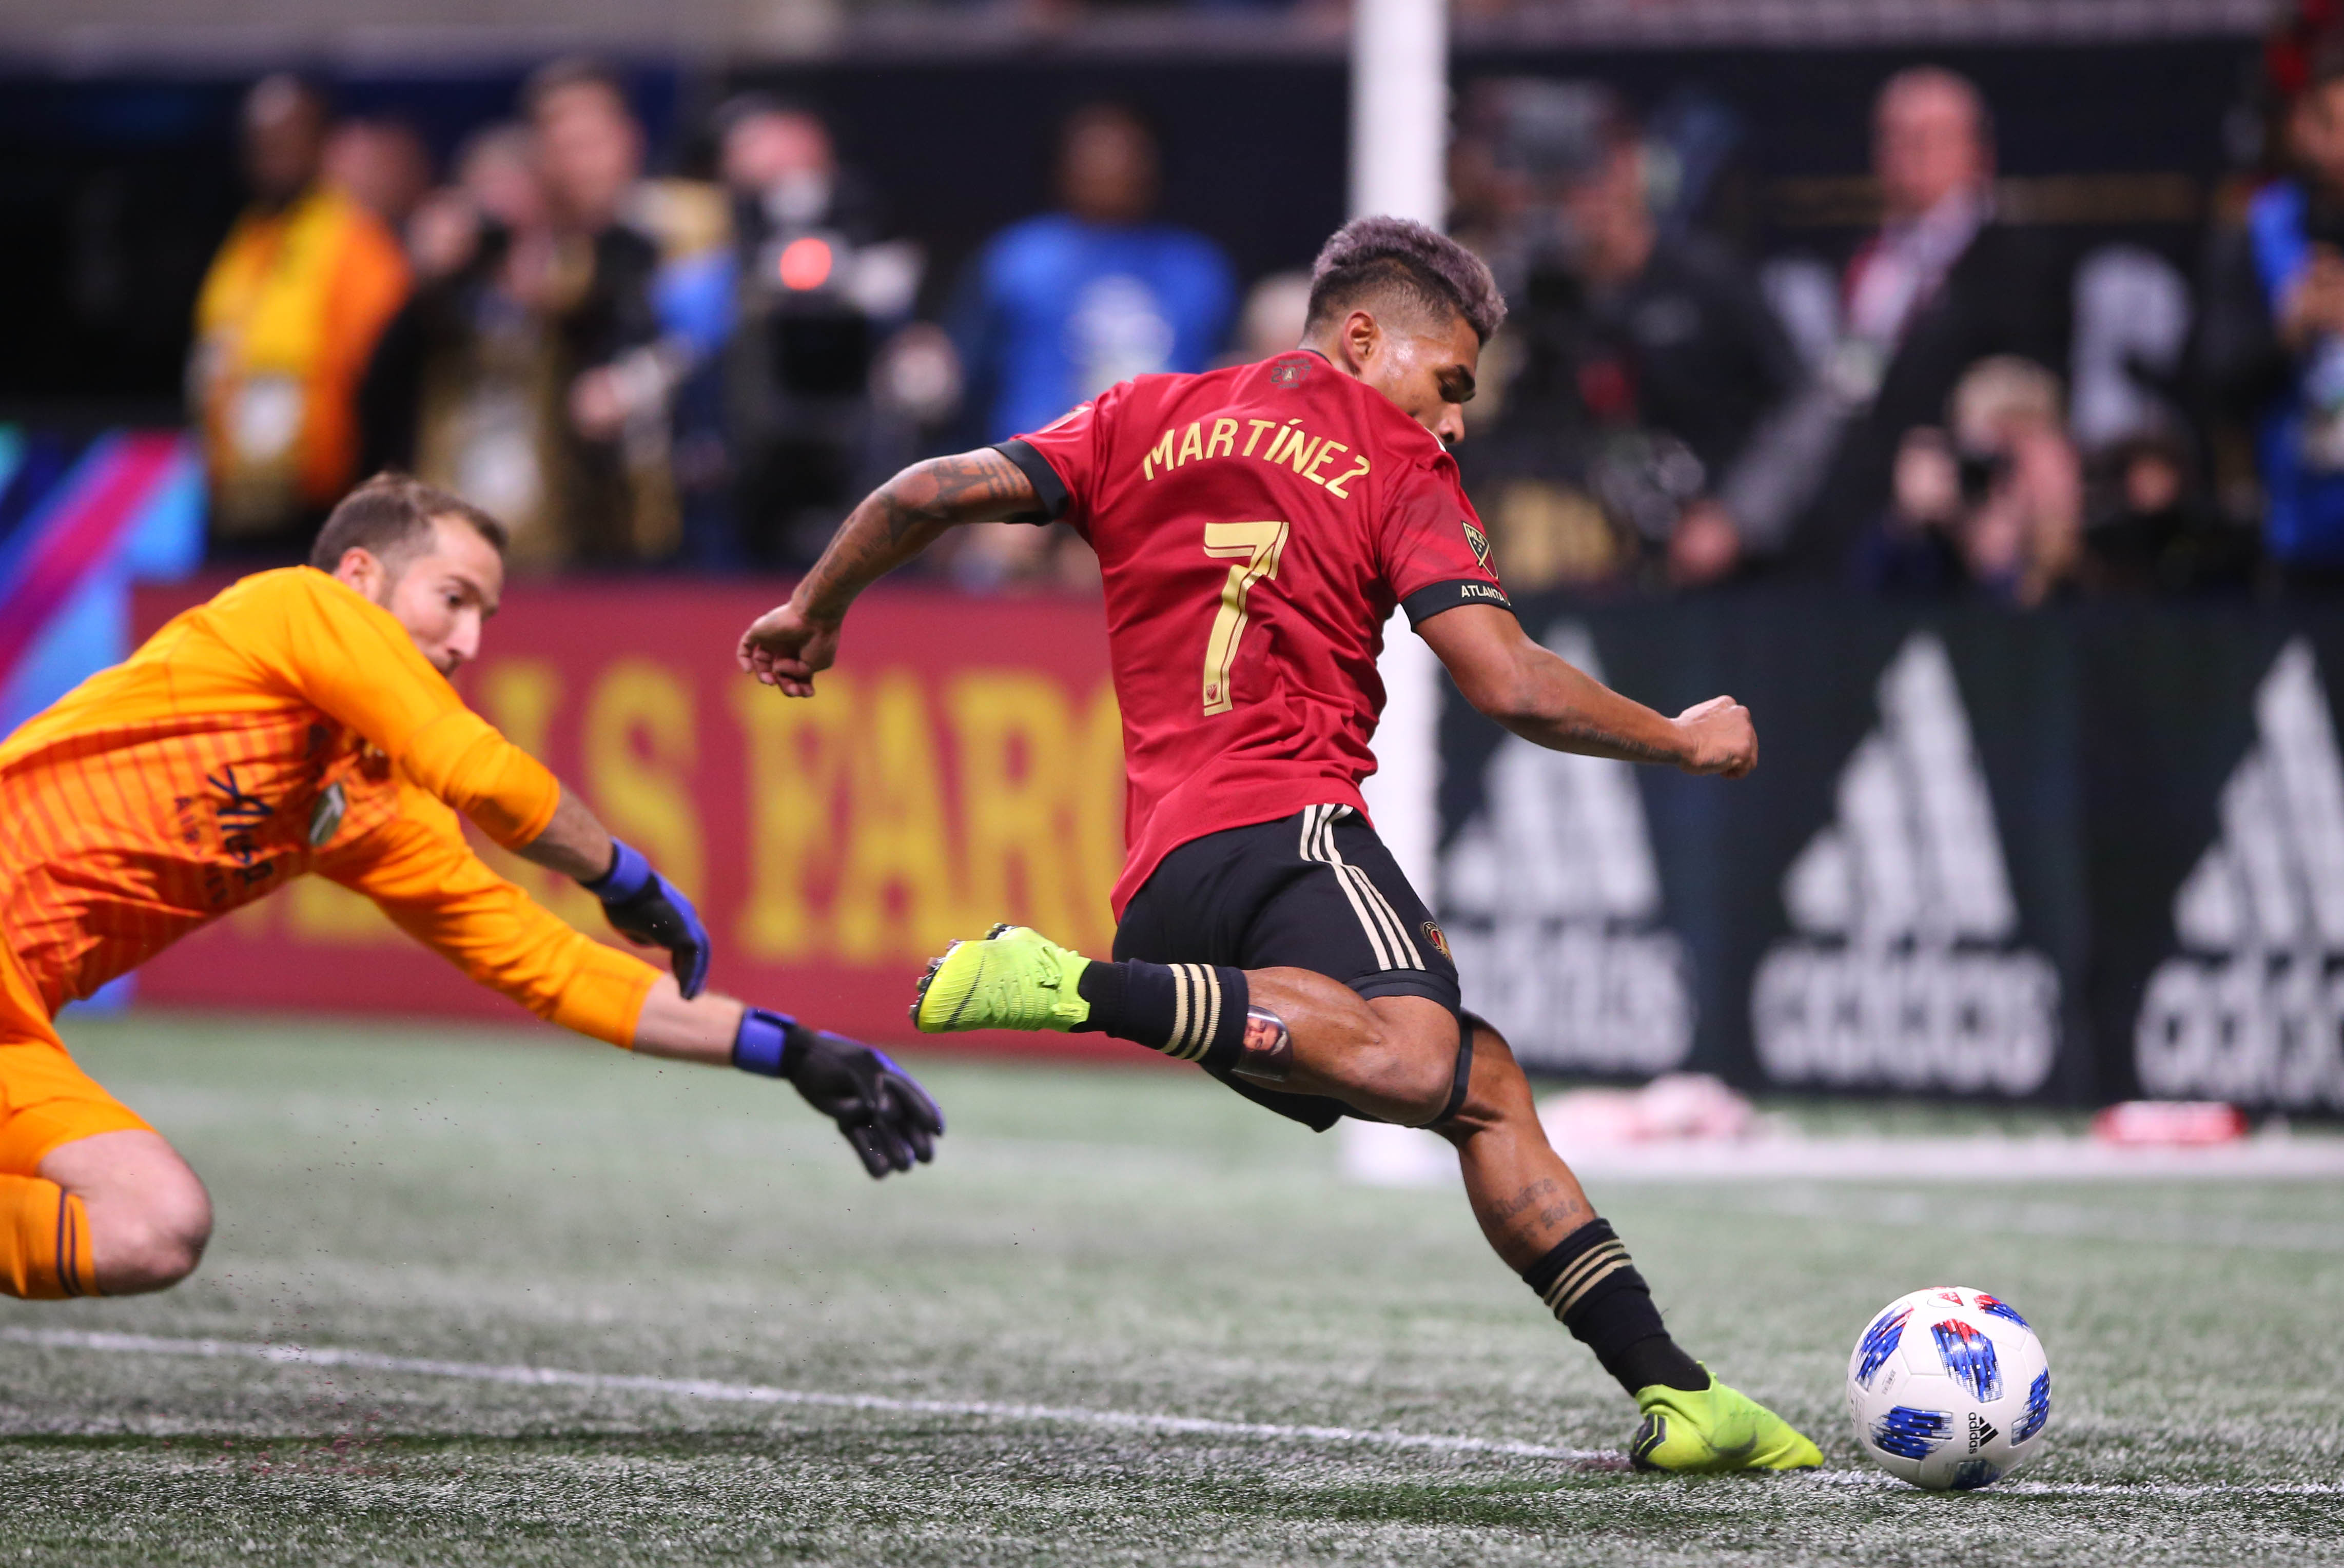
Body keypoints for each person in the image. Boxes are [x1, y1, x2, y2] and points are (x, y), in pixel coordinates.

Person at [738, 217, 1818, 1474]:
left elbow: (921, 490)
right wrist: (1681, 739)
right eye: (1449, 381)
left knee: (1481, 1085)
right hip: (1289, 823)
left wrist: (812, 610)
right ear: (1362, 338)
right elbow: (1511, 683)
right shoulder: (1394, 459)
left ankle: (1678, 1394)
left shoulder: (1137, 415)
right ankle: (1069, 985)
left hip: (1167, 883)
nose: (1455, 420)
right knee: (1422, 1063)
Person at [0, 474, 942, 1303]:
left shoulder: (365, 802)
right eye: (452, 599)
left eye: (485, 616)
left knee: (150, 1226)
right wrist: (622, 873)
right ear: (360, 577)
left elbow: (547, 965)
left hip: (17, 1017)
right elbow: (479, 772)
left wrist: (788, 1050)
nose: (468, 640)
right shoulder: (290, 608)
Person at [1467, 81, 1815, 590]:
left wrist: (1738, 518)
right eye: (1562, 187)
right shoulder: (1533, 299)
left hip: (1716, 572)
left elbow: (1803, 407)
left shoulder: (1707, 282)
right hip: (1587, 567)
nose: (1582, 202)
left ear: (1631, 172)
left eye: (1593, 177)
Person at [1795, 67, 2066, 576]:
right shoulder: (1863, 260)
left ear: (1978, 153)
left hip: (1966, 519)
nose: (1905, 155)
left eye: (1926, 139)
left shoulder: (2017, 258)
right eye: (1892, 139)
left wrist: (1966, 460)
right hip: (1855, 513)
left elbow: (2033, 389)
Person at [191, 75, 413, 561]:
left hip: (322, 509)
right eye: (261, 144)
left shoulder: (358, 247)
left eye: (287, 142)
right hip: (241, 500)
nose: (272, 158)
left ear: (322, 145)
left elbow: (384, 391)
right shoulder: (245, 244)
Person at [2202, 41, 2344, 592]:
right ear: (2302, 128)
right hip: (2300, 540)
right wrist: (2288, 330)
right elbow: (2216, 381)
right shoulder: (2261, 226)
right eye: (2331, 126)